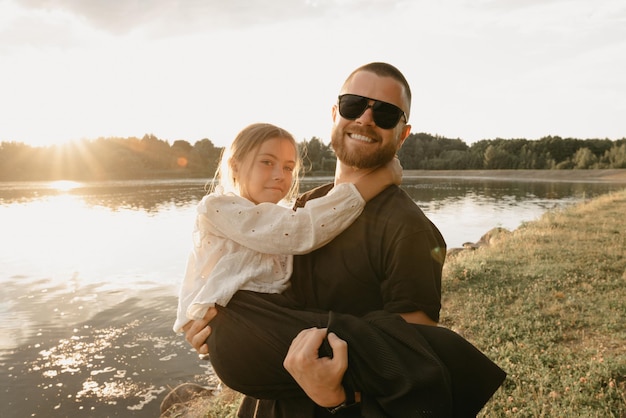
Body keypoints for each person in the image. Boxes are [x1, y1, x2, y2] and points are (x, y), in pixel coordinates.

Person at [183, 63, 506, 417]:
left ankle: (467, 373)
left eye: (385, 113)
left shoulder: (407, 229)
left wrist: (337, 398)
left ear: (403, 134)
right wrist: (211, 326)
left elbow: (415, 363)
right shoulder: (304, 209)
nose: (366, 119)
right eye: (354, 105)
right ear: (335, 114)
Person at [174, 122, 400, 335]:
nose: (279, 175)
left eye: (288, 167)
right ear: (235, 165)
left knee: (355, 329)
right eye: (267, 162)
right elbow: (299, 230)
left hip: (271, 313)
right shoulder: (218, 208)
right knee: (352, 334)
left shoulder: (279, 215)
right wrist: (376, 181)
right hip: (244, 315)